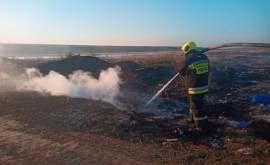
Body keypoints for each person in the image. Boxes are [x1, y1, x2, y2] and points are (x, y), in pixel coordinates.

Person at [179, 41, 211, 134]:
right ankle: (191, 120)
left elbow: (182, 72)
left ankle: (202, 127)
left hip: (195, 88)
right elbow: (208, 68)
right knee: (195, 104)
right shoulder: (204, 57)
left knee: (197, 108)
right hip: (204, 87)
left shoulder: (189, 59)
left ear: (186, 49)